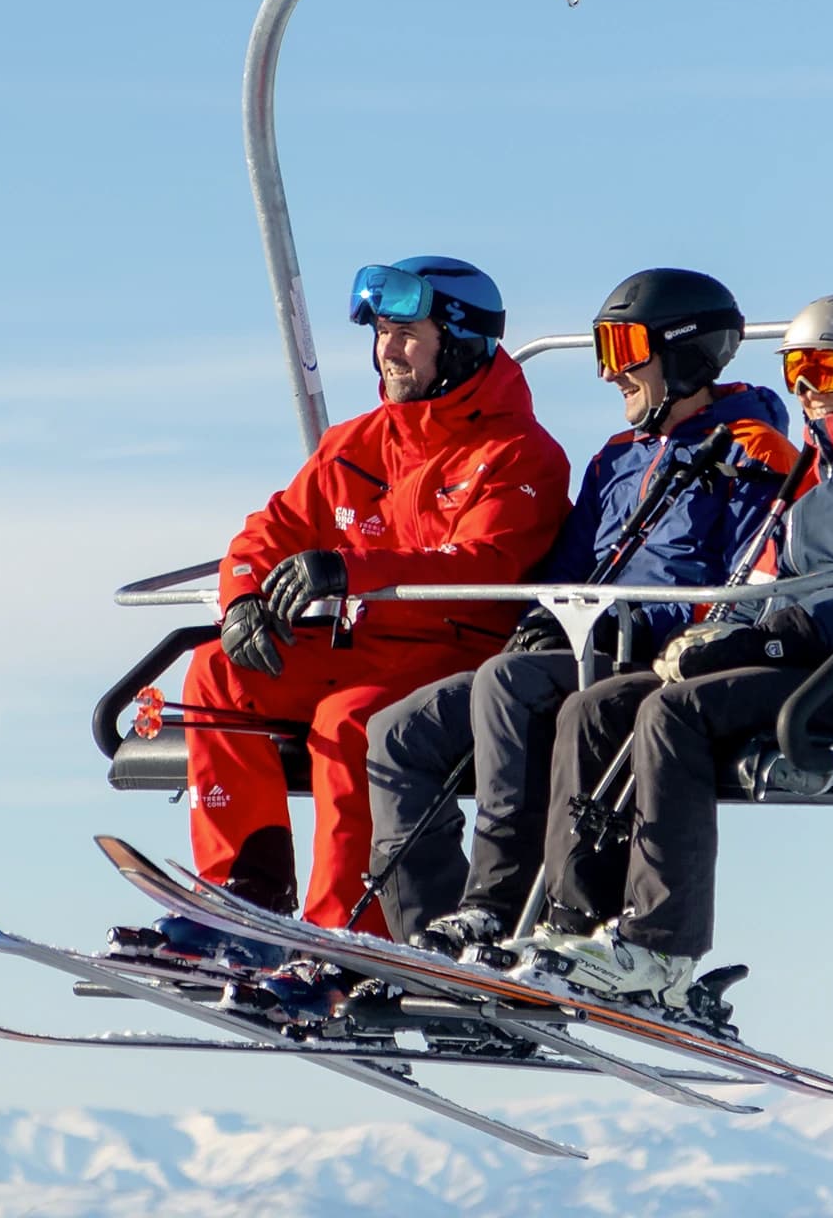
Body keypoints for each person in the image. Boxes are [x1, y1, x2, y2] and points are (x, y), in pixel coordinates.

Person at [507, 292, 833, 1011]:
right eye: (796, 369)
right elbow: (753, 589)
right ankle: (572, 926)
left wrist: (770, 633)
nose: (804, 390)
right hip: (791, 671)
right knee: (598, 707)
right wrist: (715, 637)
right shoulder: (810, 474)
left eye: (823, 370)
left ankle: (660, 947)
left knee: (674, 715)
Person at [128, 256, 572, 963]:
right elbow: (269, 531)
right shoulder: (358, 443)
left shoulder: (520, 455)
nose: (386, 351)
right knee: (216, 672)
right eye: (381, 334)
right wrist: (245, 594)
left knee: (349, 723)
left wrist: (350, 568)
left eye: (405, 334)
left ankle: (344, 933)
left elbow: (487, 565)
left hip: (454, 651)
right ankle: (245, 900)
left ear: (458, 340)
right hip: (359, 644)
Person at [362, 268, 799, 956]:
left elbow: (748, 584)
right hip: (575, 648)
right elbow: (568, 570)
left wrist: (645, 629)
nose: (609, 374)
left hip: (646, 657)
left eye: (623, 351)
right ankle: (428, 944)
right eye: (602, 352)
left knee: (510, 686)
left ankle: (494, 909)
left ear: (684, 353)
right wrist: (542, 617)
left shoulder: (753, 455)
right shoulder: (615, 459)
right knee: (397, 732)